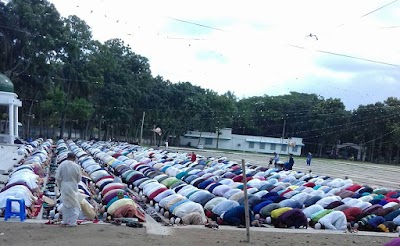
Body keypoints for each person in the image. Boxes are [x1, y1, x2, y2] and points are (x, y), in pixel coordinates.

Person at [55, 152, 82, 227]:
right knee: (74, 204)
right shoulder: (76, 166)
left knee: (65, 204)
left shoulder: (62, 164)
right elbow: (79, 178)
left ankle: (65, 220)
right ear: (74, 158)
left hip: (64, 185)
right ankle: (72, 221)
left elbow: (57, 177)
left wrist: (60, 185)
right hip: (73, 186)